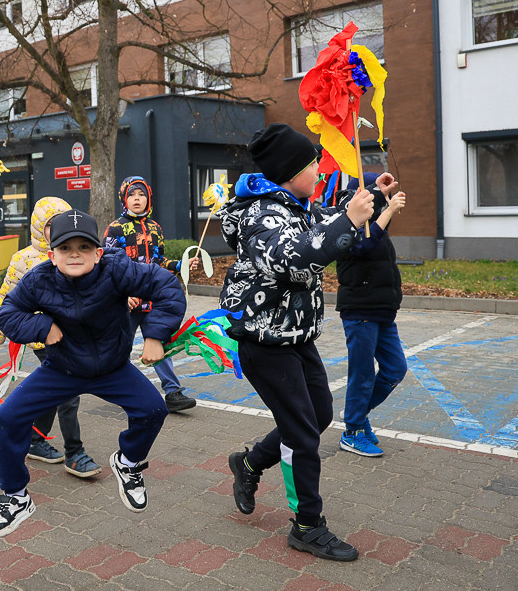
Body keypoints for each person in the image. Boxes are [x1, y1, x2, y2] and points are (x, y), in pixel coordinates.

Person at [219, 123, 392, 563]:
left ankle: (249, 463)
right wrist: (349, 220)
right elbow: (293, 255)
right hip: (264, 341)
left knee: (318, 415)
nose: (319, 170)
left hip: (295, 336)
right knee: (301, 436)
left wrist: (375, 194)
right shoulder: (261, 215)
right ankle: (307, 526)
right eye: (314, 164)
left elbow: (330, 224)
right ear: (291, 171)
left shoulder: (296, 206)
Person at [0, 209, 184, 537]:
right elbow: (7, 312)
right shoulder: (39, 279)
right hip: (62, 368)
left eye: (84, 247)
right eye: (65, 248)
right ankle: (16, 496)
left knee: (153, 410)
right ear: (52, 255)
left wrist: (155, 335)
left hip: (113, 367)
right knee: (7, 417)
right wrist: (41, 327)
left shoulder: (116, 269)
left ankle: (128, 463)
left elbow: (166, 286)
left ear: (98, 252)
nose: (74, 254)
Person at [0, 197, 101, 478]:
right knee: (69, 393)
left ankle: (35, 439)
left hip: (73, 335)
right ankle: (75, 453)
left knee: (53, 390)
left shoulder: (75, 254)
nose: (58, 230)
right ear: (39, 227)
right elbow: (6, 299)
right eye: (51, 224)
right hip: (42, 336)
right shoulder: (24, 259)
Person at [104, 176, 196, 413]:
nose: (137, 199)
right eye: (132, 194)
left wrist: (182, 265)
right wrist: (121, 295)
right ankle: (119, 389)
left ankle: (173, 393)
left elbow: (160, 261)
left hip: (154, 300)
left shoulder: (156, 228)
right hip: (128, 302)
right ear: (124, 198)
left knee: (159, 342)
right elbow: (109, 265)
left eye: (142, 194)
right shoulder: (115, 228)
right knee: (121, 347)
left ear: (148, 199)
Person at [335, 174, 408, 457]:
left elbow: (375, 237)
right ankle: (352, 432)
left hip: (383, 312)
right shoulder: (347, 224)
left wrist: (384, 204)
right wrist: (386, 207)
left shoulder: (377, 223)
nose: (384, 202)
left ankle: (357, 413)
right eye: (377, 195)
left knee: (395, 369)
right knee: (363, 375)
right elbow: (362, 248)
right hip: (360, 311)